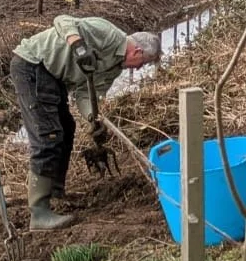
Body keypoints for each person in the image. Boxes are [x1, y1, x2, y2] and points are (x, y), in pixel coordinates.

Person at [10, 16, 161, 229]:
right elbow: (62, 20)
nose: (137, 70)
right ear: (137, 52)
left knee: (67, 127)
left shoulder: (114, 69)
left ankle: (55, 191)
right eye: (142, 64)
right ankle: (39, 213)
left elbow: (84, 94)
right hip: (33, 64)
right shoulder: (107, 33)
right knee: (48, 136)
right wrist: (79, 46)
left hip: (53, 77)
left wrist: (94, 118)